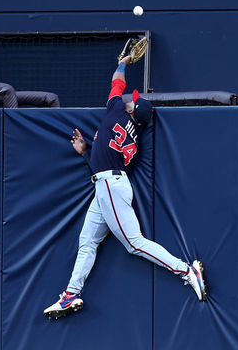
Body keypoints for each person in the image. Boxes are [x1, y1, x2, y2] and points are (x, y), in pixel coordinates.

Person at [43, 54, 206, 320]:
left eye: (133, 101)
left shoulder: (118, 110)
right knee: (87, 243)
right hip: (109, 185)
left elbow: (116, 84)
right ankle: (72, 293)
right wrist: (86, 152)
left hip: (109, 185)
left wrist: (122, 63)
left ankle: (188, 272)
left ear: (131, 111)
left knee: (134, 244)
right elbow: (106, 161)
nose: (130, 99)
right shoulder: (136, 143)